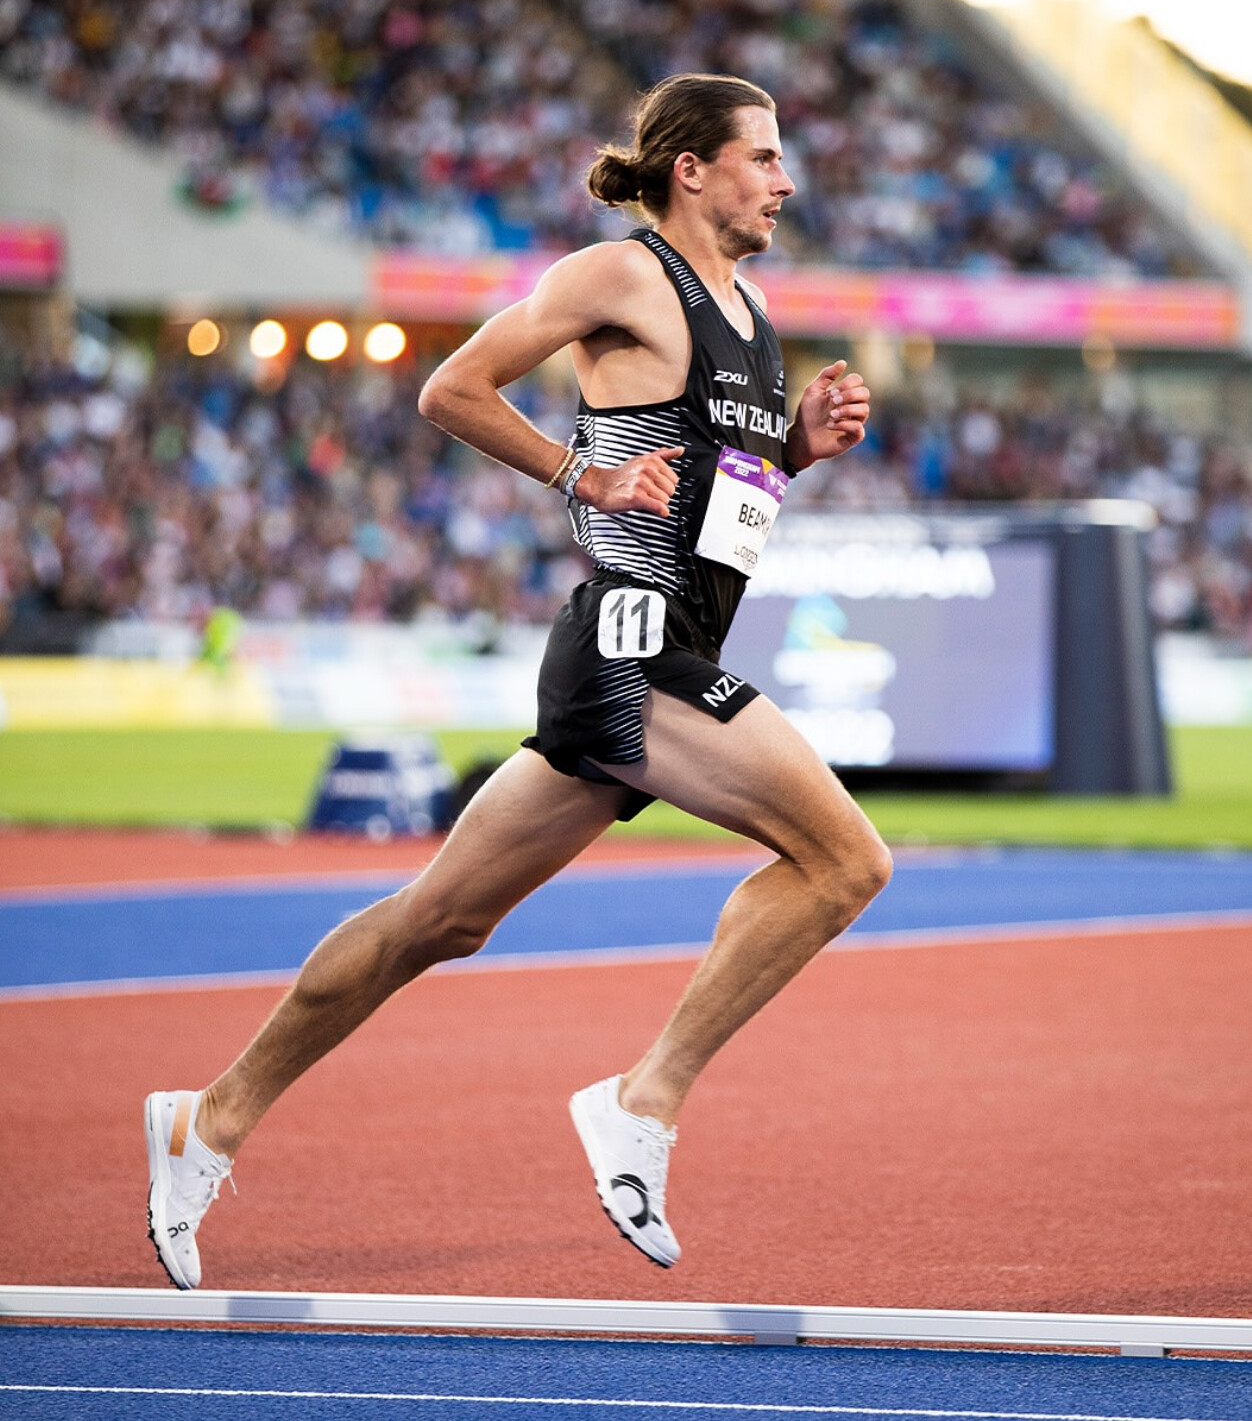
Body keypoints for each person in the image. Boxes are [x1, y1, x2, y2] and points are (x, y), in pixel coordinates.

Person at [144, 72, 892, 1288]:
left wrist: (794, 450)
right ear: (690, 168)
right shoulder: (621, 276)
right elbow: (451, 388)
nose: (784, 180)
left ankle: (207, 1119)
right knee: (846, 860)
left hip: (674, 642)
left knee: (439, 920)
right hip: (631, 640)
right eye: (761, 157)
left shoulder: (750, 314)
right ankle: (642, 1099)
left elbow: (715, 502)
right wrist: (575, 474)